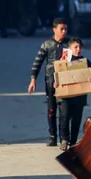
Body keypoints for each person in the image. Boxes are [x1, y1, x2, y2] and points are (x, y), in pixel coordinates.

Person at [28, 17, 69, 147]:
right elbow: (38, 62)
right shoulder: (47, 45)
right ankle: (52, 136)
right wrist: (33, 79)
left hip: (64, 83)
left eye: (65, 29)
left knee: (64, 112)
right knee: (51, 110)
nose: (64, 32)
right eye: (61, 29)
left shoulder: (68, 45)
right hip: (50, 82)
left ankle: (64, 138)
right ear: (54, 30)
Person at [56, 39, 91, 150]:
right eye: (75, 47)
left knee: (76, 120)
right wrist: (55, 82)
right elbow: (56, 74)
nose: (78, 49)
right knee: (64, 117)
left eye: (80, 47)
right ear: (69, 49)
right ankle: (64, 139)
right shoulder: (64, 61)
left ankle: (73, 142)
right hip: (66, 96)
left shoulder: (84, 61)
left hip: (79, 97)